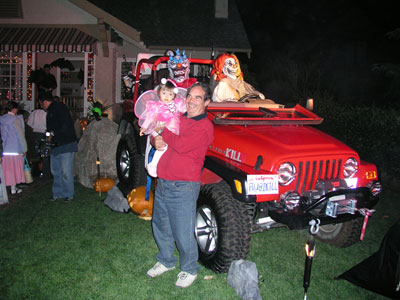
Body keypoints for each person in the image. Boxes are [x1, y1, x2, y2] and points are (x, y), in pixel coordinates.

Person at [146, 83, 214, 288]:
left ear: (206, 103)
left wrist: (163, 133)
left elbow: (182, 145)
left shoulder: (205, 126)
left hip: (183, 186)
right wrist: (155, 138)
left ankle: (189, 269)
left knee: (183, 232)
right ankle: (166, 260)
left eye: (198, 98)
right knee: (161, 226)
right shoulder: (178, 117)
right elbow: (158, 129)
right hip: (164, 181)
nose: (191, 101)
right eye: (190, 96)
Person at [135, 78, 186, 177]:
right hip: (158, 127)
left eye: (170, 94)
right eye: (164, 93)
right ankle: (153, 165)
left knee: (171, 146)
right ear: (159, 93)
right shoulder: (156, 105)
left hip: (171, 127)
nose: (167, 96)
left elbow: (185, 109)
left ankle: (163, 166)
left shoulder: (176, 104)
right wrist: (144, 127)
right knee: (164, 146)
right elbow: (149, 117)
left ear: (174, 95)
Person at [42, 93, 77, 202]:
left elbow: (65, 125)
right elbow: (49, 128)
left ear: (44, 102)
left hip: (66, 144)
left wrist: (53, 133)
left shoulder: (60, 108)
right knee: (56, 171)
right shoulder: (50, 112)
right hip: (55, 145)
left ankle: (68, 194)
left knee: (66, 171)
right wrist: (48, 139)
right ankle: (57, 193)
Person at [0, 101, 27, 194]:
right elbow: (20, 135)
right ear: (14, 109)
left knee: (6, 168)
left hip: (5, 148)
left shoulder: (1, 119)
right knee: (14, 168)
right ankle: (13, 187)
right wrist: (24, 148)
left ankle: (6, 187)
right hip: (15, 148)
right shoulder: (16, 120)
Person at [27, 100, 51, 179]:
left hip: (35, 134)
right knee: (45, 154)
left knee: (35, 154)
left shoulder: (33, 113)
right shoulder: (46, 113)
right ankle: (45, 173)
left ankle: (34, 173)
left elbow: (29, 124)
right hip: (43, 134)